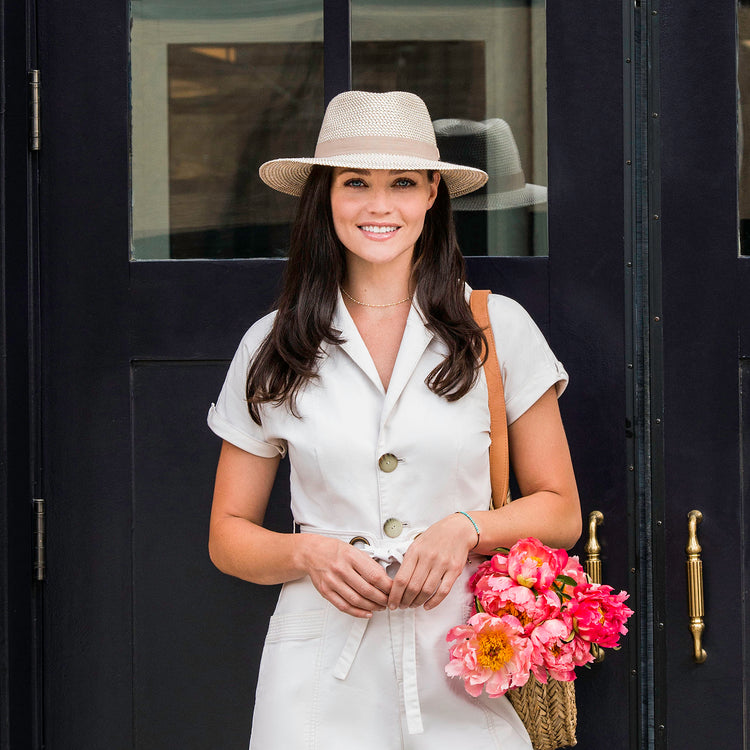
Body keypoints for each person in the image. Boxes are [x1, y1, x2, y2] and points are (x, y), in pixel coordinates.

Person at [207, 90, 581, 750]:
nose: (381, 206)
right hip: (318, 674)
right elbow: (228, 536)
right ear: (324, 195)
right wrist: (306, 551)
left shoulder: (498, 329)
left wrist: (465, 529)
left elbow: (560, 513)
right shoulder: (273, 343)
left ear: (432, 194)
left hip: (470, 660)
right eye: (356, 183)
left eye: (402, 183)